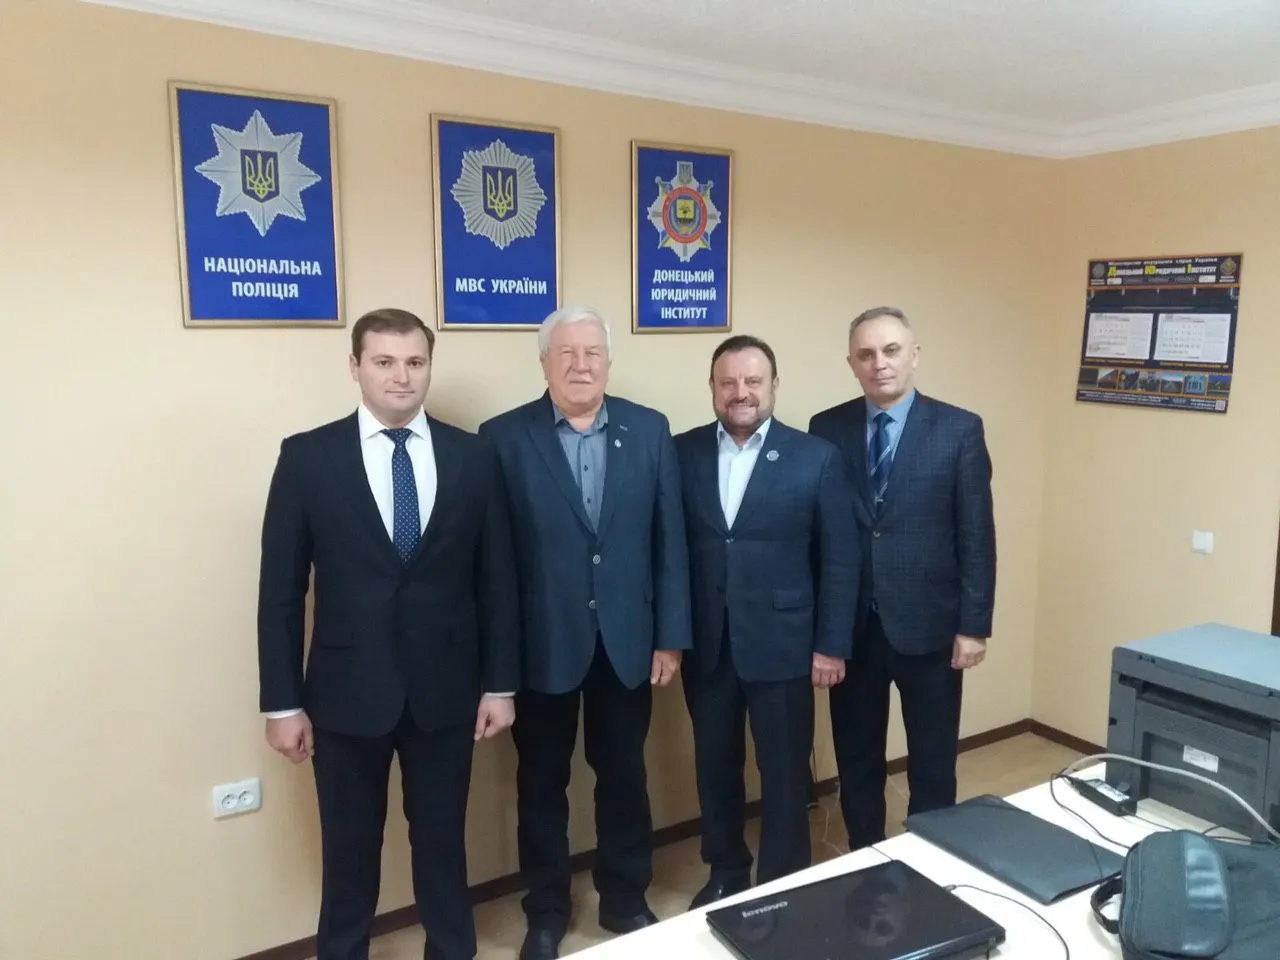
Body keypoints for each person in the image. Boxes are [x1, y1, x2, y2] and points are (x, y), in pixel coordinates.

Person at [257, 308, 519, 960]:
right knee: (349, 852)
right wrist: (282, 703)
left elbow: (498, 581)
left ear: (428, 367)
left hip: (447, 692)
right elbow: (281, 591)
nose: (401, 376)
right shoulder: (308, 458)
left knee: (442, 845)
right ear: (356, 367)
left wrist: (500, 685)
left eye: (414, 362)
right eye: (384, 362)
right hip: (345, 695)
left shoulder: (473, 456)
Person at [478, 306, 692, 960]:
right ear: (544, 363)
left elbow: (669, 541)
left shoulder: (649, 429)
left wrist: (670, 636)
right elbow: (494, 563)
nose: (580, 365)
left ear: (608, 360)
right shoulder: (502, 438)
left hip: (627, 643)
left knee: (624, 776)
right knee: (541, 786)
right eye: (565, 353)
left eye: (592, 352)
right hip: (541, 645)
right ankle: (546, 911)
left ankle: (625, 897)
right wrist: (499, 668)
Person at [674, 335, 858, 908]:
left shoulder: (815, 457)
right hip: (707, 644)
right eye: (728, 382)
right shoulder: (681, 453)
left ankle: (784, 879)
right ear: (712, 388)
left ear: (774, 386)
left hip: (785, 644)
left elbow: (840, 559)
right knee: (715, 767)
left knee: (783, 772)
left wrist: (831, 645)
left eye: (753, 381)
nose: (741, 393)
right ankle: (726, 870)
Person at [808, 306, 996, 850]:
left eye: (891, 351)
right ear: (851, 363)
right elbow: (822, 537)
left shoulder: (959, 430)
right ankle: (865, 855)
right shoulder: (827, 429)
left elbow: (976, 535)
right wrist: (824, 632)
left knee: (933, 760)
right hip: (854, 631)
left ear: (915, 356)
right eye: (866, 354)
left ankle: (931, 858)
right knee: (857, 757)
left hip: (931, 628)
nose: (880, 364)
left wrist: (973, 626)